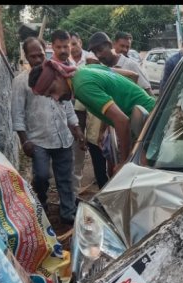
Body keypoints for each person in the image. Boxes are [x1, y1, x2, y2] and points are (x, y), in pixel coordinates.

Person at [28, 60, 156, 173]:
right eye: (49, 96)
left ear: (58, 75)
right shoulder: (84, 70)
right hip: (149, 118)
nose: (55, 98)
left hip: (150, 125)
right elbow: (130, 75)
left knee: (142, 176)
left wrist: (124, 162)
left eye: (52, 90)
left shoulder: (82, 87)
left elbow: (122, 120)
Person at [12, 37, 84, 226]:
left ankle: (67, 213)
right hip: (38, 139)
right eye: (32, 56)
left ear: (46, 53)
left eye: (40, 55)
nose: (37, 59)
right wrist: (24, 140)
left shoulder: (58, 73)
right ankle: (42, 204)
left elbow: (67, 105)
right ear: (26, 57)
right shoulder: (21, 81)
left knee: (65, 178)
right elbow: (17, 112)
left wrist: (76, 129)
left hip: (62, 137)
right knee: (42, 176)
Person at [69, 32, 106, 191]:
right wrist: (81, 132)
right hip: (87, 127)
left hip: (107, 131)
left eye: (74, 44)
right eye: (67, 45)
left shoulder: (92, 64)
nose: (71, 48)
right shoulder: (62, 63)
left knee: (113, 164)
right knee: (91, 164)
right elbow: (81, 109)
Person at [88, 31, 153, 96]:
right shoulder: (100, 68)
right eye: (95, 52)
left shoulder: (131, 65)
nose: (98, 55)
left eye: (100, 50)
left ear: (110, 45)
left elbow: (149, 94)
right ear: (114, 44)